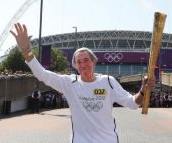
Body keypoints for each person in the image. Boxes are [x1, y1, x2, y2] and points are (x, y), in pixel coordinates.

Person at [10, 23, 155, 143]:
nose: (83, 64)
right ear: (76, 67)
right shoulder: (70, 83)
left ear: (94, 62)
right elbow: (42, 74)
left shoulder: (108, 82)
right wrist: (26, 51)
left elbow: (133, 103)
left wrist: (143, 91)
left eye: (86, 60)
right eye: (79, 62)